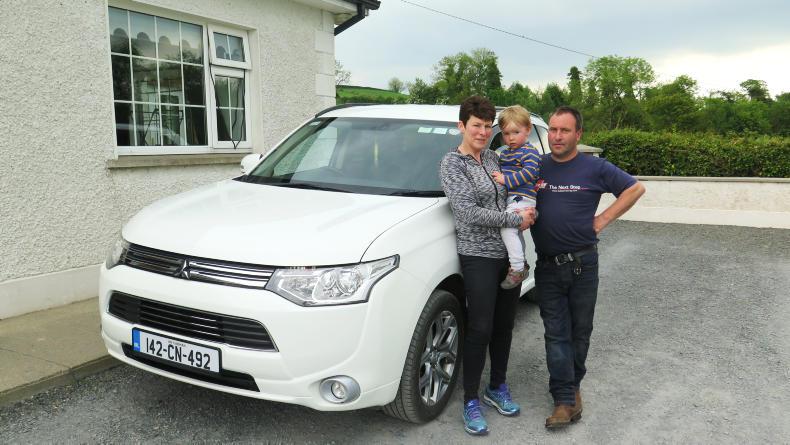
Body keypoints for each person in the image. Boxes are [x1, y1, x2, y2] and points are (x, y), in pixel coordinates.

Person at [530, 106, 645, 428]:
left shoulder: (594, 167)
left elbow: (635, 188)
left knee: (579, 333)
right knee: (556, 334)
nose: (556, 136)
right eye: (552, 130)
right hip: (548, 267)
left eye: (564, 131)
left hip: (583, 264)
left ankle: (572, 387)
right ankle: (564, 399)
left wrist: (604, 218)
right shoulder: (537, 166)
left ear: (578, 134)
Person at [439, 96, 535, 436]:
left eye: (487, 125)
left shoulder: (495, 156)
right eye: (476, 125)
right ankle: (470, 400)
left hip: (510, 255)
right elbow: (466, 211)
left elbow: (518, 190)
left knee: (504, 326)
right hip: (478, 255)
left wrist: (529, 211)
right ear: (462, 126)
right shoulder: (453, 164)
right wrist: (512, 218)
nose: (482, 131)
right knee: (480, 326)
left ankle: (497, 388)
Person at [490, 105, 542, 290]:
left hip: (523, 198)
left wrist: (506, 179)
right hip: (512, 199)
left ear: (528, 130)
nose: (510, 138)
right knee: (515, 231)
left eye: (516, 132)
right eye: (506, 133)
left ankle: (518, 268)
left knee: (507, 229)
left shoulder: (530, 152)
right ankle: (523, 265)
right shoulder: (504, 153)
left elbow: (529, 173)